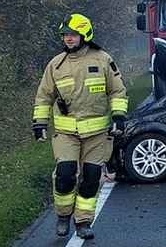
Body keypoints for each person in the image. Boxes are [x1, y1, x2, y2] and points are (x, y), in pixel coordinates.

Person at [31, 13, 128, 240]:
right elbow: (44, 96)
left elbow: (117, 91)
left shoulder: (103, 60)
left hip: (97, 134)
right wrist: (40, 123)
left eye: (73, 35)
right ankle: (63, 215)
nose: (68, 39)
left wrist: (119, 117)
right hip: (66, 132)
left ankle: (83, 221)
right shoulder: (56, 65)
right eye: (65, 35)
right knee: (65, 174)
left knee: (91, 177)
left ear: (85, 34)